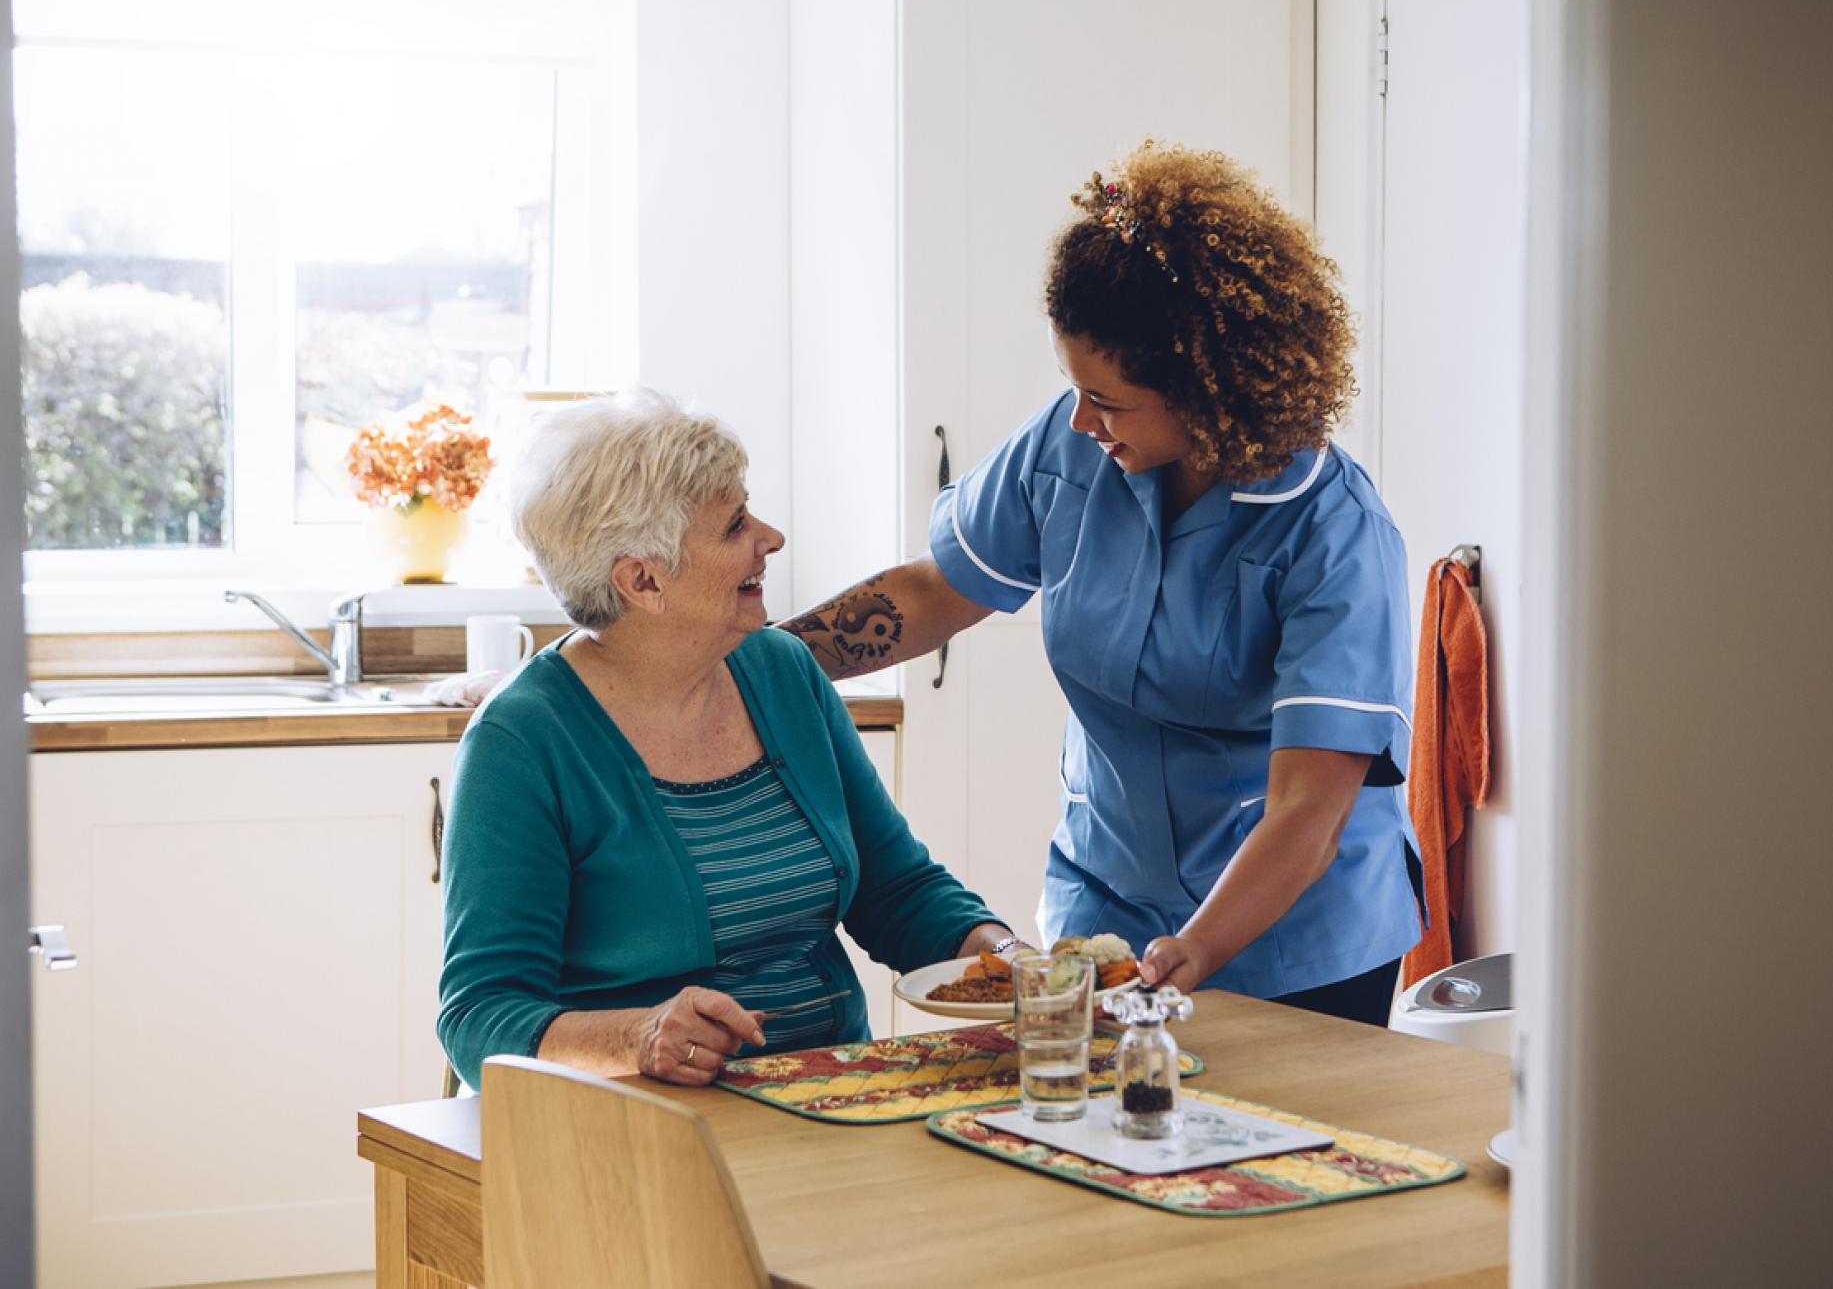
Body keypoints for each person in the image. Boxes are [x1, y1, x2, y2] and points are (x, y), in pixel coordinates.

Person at [783, 141, 1423, 1025]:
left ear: (1208, 388)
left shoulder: (1334, 533)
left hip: (1293, 942)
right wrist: (760, 664)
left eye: (1111, 401)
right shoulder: (1073, 443)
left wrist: (1198, 948)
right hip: (1108, 910)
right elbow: (934, 592)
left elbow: (1310, 809)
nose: (1082, 419)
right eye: (1073, 388)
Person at [437, 390, 1015, 1090]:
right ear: (643, 580)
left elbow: (896, 892)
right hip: (637, 1127)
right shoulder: (522, 741)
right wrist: (641, 1036)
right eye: (735, 524)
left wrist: (1004, 955)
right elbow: (480, 1015)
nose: (770, 538)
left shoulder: (783, 672)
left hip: (828, 1097)